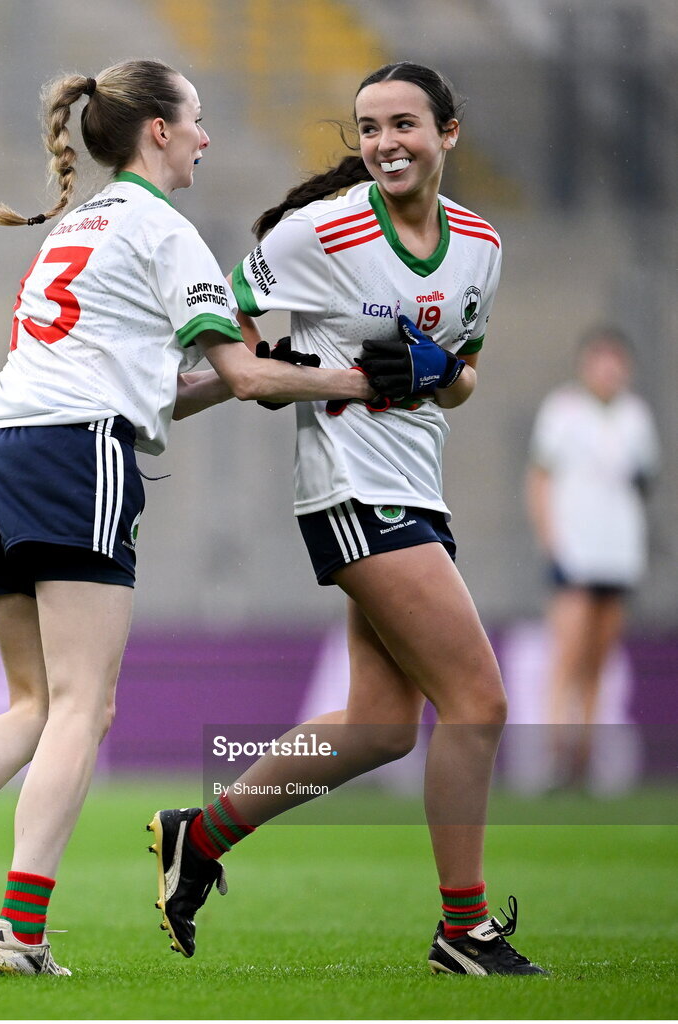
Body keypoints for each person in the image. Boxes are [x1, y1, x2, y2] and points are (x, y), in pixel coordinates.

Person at [0, 58, 383, 977]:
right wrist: (347, 379)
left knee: (34, 700)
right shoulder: (167, 229)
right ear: (157, 129)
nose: (205, 136)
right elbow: (241, 371)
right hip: (77, 457)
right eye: (195, 119)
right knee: (87, 704)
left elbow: (171, 388)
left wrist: (252, 379)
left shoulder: (79, 223)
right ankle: (19, 934)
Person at [148, 61, 547, 976]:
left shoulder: (481, 242)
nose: (383, 144)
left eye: (403, 124)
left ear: (449, 132)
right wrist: (282, 372)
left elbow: (466, 376)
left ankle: (198, 838)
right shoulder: (316, 231)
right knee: (479, 702)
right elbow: (225, 330)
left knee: (380, 725)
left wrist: (436, 372)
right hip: (351, 489)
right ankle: (464, 930)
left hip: (419, 487)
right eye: (367, 129)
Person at [525, 326, 659, 787]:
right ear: (587, 365)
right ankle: (552, 757)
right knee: (567, 657)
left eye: (617, 362)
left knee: (599, 663)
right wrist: (552, 542)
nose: (610, 370)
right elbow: (539, 480)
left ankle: (583, 758)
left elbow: (642, 480)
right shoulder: (563, 412)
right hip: (575, 555)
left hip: (617, 557)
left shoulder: (636, 418)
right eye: (602, 360)